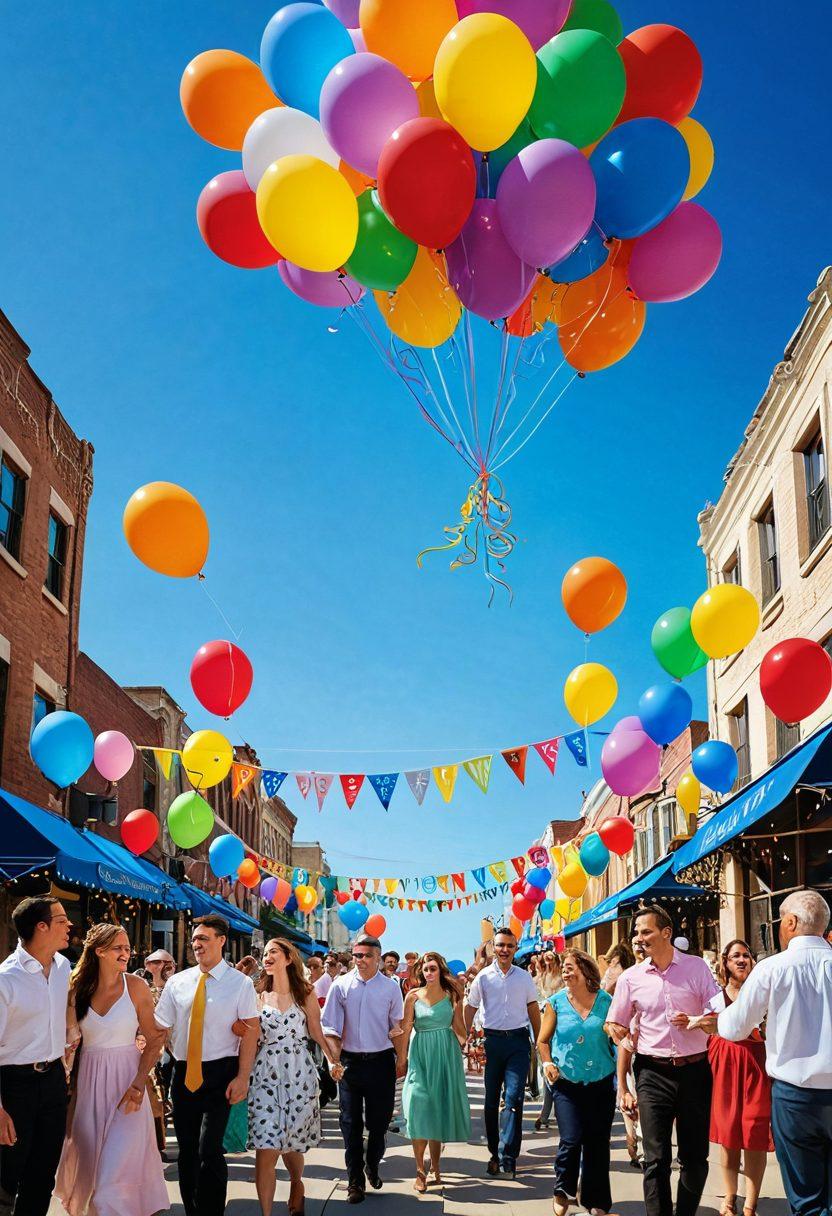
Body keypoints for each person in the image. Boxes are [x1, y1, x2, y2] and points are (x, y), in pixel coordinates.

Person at [715, 890, 832, 1216]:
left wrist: (715, 1020)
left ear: (792, 922)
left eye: (782, 921)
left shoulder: (771, 968)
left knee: (806, 1197)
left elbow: (735, 1027)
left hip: (796, 1098)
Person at [607, 904, 719, 1216]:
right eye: (637, 933)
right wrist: (624, 1080)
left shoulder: (697, 968)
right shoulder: (631, 978)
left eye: (646, 931)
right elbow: (614, 1024)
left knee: (695, 1158)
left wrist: (697, 1020)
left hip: (695, 1069)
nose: (639, 938)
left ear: (666, 933)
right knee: (655, 1159)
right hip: (651, 1073)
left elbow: (719, 1015)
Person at [54, 923, 168, 1216]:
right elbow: (66, 1041)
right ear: (99, 951)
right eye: (118, 947)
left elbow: (155, 1039)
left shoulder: (136, 986)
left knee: (111, 1181)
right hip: (89, 1088)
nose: (125, 953)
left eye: (128, 948)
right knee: (92, 1172)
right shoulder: (76, 988)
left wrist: (139, 1083)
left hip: (128, 1087)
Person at [154, 914, 259, 1216]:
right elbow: (160, 1027)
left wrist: (243, 1077)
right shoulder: (178, 982)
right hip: (184, 1072)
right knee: (186, 1151)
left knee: (209, 1149)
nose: (196, 944)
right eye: (194, 939)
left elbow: (251, 1032)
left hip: (221, 1072)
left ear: (222, 941)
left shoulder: (240, 984)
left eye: (203, 938)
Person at [248, 937, 339, 1216]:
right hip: (265, 1074)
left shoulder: (306, 993)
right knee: (266, 1147)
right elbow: (250, 1037)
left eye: (273, 952)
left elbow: (316, 1031)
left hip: (299, 1072)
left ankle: (296, 1183)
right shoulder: (256, 994)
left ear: (288, 958)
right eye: (264, 953)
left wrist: (332, 1060)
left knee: (291, 1145)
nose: (267, 957)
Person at [682, 939, 772, 1216]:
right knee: (730, 1135)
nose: (742, 960)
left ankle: (750, 1203)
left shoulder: (762, 993)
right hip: (724, 1067)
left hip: (757, 1066)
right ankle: (730, 1197)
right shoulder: (715, 997)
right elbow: (705, 1026)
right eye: (735, 956)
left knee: (755, 1135)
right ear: (726, 963)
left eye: (746, 955)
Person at [0, 896, 73, 1216]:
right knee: (6, 1174)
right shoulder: (6, 979)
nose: (69, 925)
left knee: (43, 1174)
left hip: (54, 1081)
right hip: (14, 1085)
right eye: (61, 921)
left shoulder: (62, 966)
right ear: (40, 928)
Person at [322, 933, 404, 1204]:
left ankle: (372, 1162)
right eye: (357, 955)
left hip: (381, 1062)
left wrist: (401, 1059)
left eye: (368, 956)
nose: (362, 960)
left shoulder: (391, 988)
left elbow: (397, 1028)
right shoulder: (340, 985)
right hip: (350, 1063)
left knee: (379, 1124)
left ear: (378, 958)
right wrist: (335, 1061)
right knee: (350, 1124)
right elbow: (330, 1028)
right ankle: (354, 1182)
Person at [538, 948, 618, 1216]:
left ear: (585, 970)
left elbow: (617, 1036)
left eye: (570, 966)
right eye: (564, 968)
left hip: (601, 1083)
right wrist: (548, 1063)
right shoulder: (556, 1002)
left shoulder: (606, 1001)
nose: (565, 971)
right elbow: (542, 1041)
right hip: (567, 1085)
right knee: (571, 1140)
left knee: (597, 1143)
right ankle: (563, 1190)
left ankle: (596, 1201)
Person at [464, 926, 541, 1180]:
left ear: (515, 948)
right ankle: (494, 1154)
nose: (504, 950)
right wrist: (465, 1037)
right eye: (500, 945)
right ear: (493, 948)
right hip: (493, 1043)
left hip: (518, 1042)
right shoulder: (483, 977)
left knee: (514, 1098)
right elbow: (471, 1007)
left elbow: (532, 1009)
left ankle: (509, 1155)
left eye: (509, 945)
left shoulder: (524, 977)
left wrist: (540, 1041)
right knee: (490, 1103)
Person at [398, 952, 471, 1193]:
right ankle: (420, 1170)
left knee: (437, 1110)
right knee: (418, 1107)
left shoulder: (451, 995)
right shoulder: (412, 996)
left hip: (445, 1055)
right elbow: (406, 1029)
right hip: (420, 1055)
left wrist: (469, 1042)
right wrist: (402, 1057)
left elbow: (459, 1028)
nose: (428, 972)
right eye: (425, 969)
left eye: (433, 968)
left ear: (440, 970)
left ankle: (436, 1167)